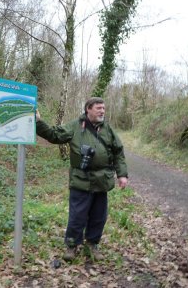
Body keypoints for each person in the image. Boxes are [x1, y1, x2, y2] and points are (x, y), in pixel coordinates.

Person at [35, 97, 128, 261]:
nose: (102, 111)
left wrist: (122, 174)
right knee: (77, 215)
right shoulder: (75, 126)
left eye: (103, 108)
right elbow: (54, 135)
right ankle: (72, 245)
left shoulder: (107, 129)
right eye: (98, 108)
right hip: (80, 180)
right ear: (88, 109)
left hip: (102, 180)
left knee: (99, 216)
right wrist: (38, 122)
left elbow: (118, 152)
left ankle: (92, 244)